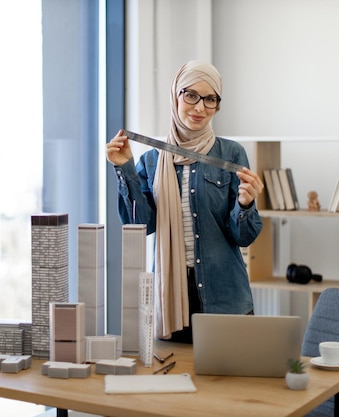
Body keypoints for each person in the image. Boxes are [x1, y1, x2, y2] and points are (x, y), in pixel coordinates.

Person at [106, 61, 264, 342]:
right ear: (174, 96)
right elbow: (140, 225)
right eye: (190, 95)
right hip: (171, 300)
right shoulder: (152, 161)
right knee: (173, 381)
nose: (200, 108)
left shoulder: (232, 153)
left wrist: (246, 205)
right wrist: (125, 169)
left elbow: (244, 237)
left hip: (226, 300)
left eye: (210, 99)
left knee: (230, 386)